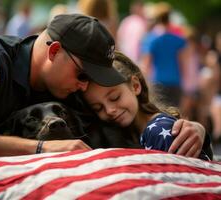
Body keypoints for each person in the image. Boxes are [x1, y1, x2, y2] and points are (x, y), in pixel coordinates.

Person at [0, 14, 207, 157]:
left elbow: (123, 118)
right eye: (83, 74)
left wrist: (190, 129)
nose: (84, 86)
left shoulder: (65, 83)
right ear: (54, 51)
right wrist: (39, 147)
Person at [83, 51, 212, 160]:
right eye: (98, 108)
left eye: (115, 98)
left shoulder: (158, 130)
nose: (109, 110)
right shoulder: (125, 133)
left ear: (135, 86)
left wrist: (202, 131)